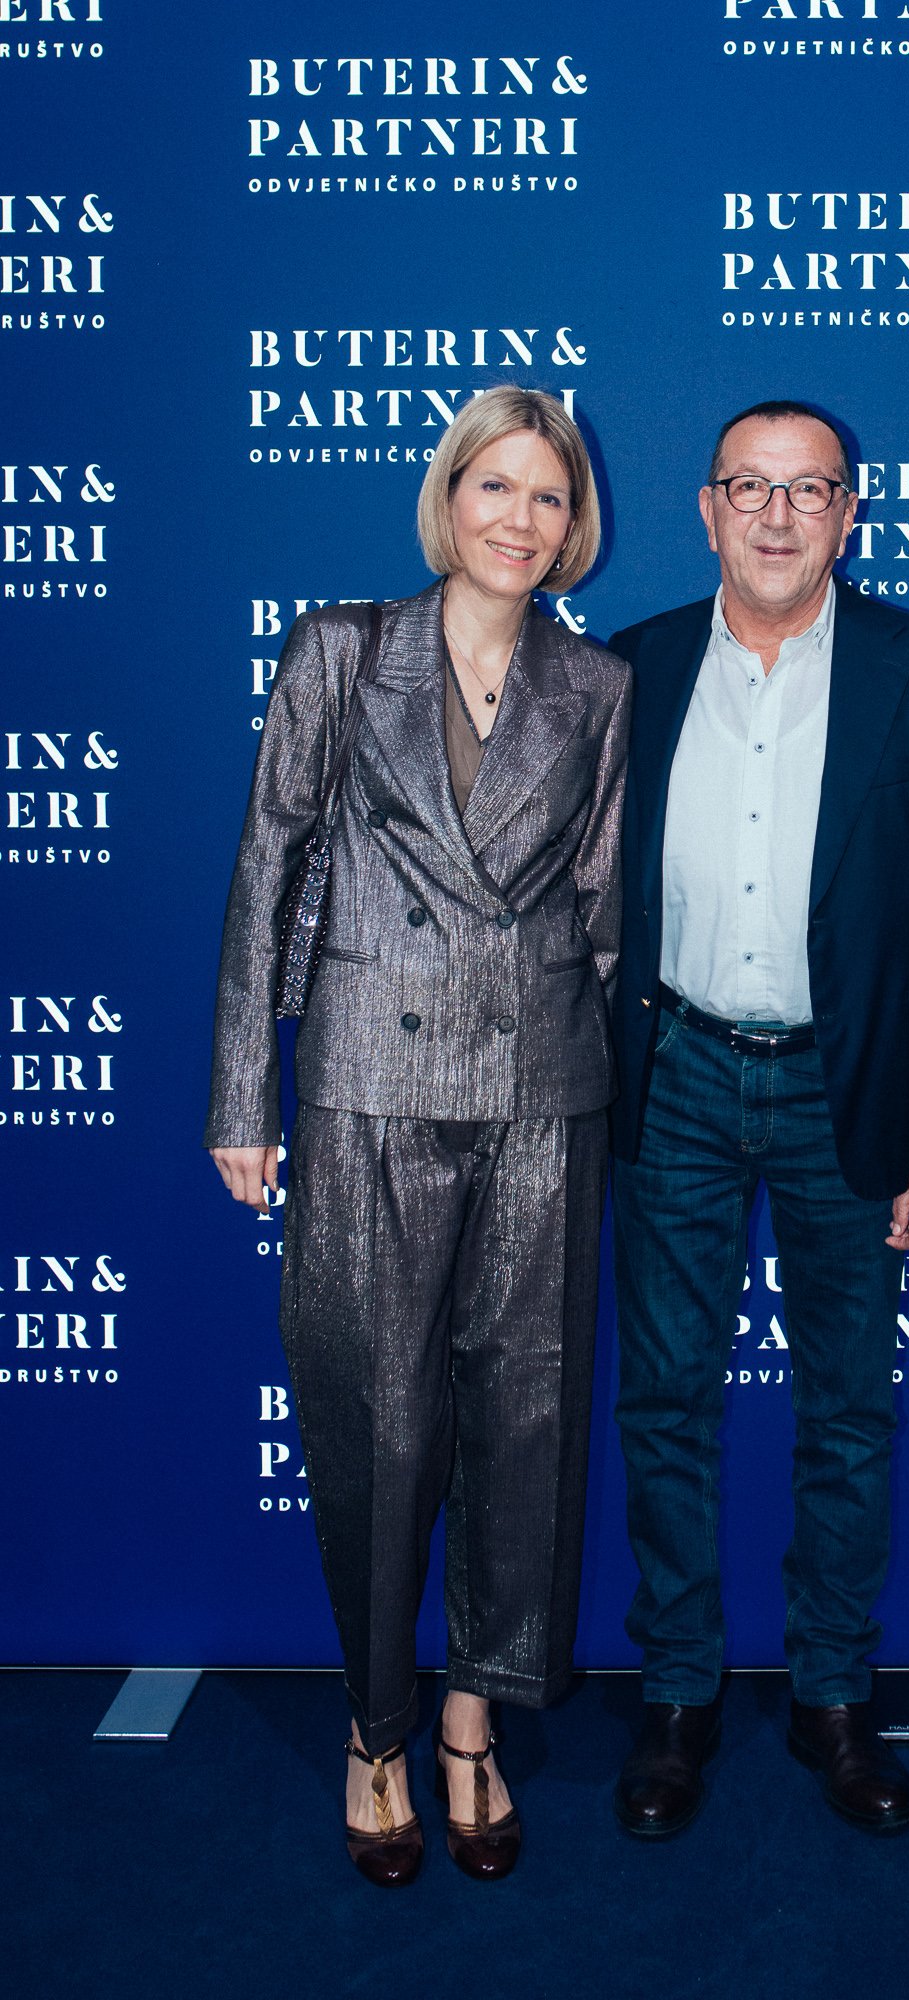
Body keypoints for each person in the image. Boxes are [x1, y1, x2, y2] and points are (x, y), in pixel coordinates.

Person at [205, 385, 631, 1886]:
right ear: (447, 498)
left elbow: (598, 917)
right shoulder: (340, 650)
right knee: (375, 1426)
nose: (521, 520)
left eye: (550, 497)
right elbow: (269, 871)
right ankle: (375, 1732)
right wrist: (242, 1098)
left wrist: (606, 1105)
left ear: (577, 528)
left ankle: (470, 1723)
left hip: (539, 1092)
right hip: (366, 1094)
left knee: (525, 1429)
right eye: (495, 488)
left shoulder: (599, 691)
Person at [605, 401, 909, 1838]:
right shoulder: (628, 669)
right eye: (750, 490)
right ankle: (680, 1693)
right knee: (665, 1401)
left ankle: (833, 1692)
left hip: (857, 1083)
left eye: (808, 490)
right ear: (706, 510)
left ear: (850, 513)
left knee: (848, 1409)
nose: (777, 516)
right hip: (678, 1077)